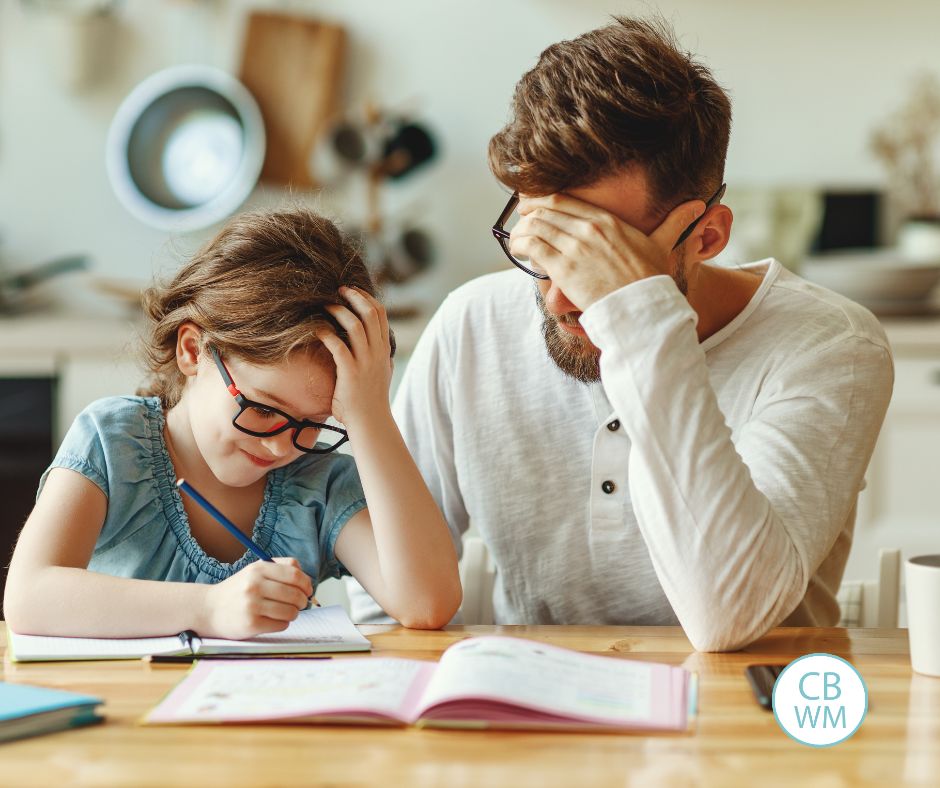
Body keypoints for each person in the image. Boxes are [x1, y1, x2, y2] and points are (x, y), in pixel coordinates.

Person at [350, 17, 893, 651]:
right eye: (542, 244)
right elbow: (383, 592)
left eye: (598, 258)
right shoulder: (471, 326)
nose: (556, 298)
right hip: (525, 712)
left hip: (749, 720)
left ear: (708, 236)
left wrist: (641, 318)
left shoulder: (831, 347)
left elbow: (729, 614)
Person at [3, 209, 461, 639]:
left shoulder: (318, 484)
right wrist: (210, 607)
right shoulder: (112, 441)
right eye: (263, 409)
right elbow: (28, 598)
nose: (283, 448)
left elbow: (427, 604)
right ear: (192, 351)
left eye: (313, 424)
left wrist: (370, 415)